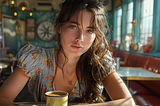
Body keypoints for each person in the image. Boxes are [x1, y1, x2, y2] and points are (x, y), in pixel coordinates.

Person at [0, 0, 135, 105]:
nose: (80, 38)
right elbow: (3, 98)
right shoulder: (37, 59)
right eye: (73, 26)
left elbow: (128, 103)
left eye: (89, 30)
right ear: (59, 27)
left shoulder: (100, 62)